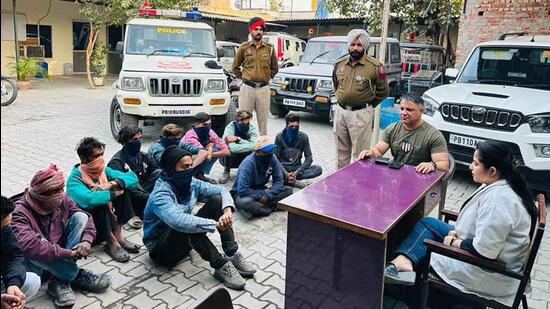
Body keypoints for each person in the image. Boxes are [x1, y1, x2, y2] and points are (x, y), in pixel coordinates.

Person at [384, 140, 538, 308]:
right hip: (483, 245)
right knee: (427, 223)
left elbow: (485, 252)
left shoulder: (498, 202)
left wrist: (454, 242)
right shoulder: (502, 184)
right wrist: (458, 233)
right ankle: (404, 261)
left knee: (424, 255)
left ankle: (413, 292)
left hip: (488, 271)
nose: (470, 166)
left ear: (492, 171)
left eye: (476, 163)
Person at [142, 145, 256, 290]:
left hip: (183, 243)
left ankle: (232, 253)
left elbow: (221, 190)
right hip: (162, 251)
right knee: (187, 225)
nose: (189, 170)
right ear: (171, 169)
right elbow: (179, 221)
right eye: (184, 167)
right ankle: (221, 266)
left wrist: (227, 211)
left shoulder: (190, 182)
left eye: (191, 165)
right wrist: (215, 224)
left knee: (216, 201)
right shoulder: (160, 194)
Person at [11, 165, 110, 307]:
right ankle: (75, 275)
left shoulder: (60, 198)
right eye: (56, 190)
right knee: (38, 246)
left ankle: (59, 281)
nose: (61, 193)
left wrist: (87, 241)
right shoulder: (19, 213)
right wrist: (70, 253)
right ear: (42, 196)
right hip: (35, 265)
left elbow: (86, 217)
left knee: (80, 217)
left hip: (58, 255)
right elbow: (33, 247)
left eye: (62, 188)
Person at [66, 137, 140, 263]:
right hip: (90, 228)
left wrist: (113, 183)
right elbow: (88, 199)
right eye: (96, 156)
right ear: (84, 158)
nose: (100, 159)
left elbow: (132, 178)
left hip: (107, 220)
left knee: (123, 191)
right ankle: (111, 242)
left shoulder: (103, 171)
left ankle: (118, 236)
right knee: (99, 201)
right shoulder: (74, 179)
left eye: (102, 154)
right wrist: (111, 194)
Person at [333, 29, 389, 169]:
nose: (355, 48)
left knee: (361, 154)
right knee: (341, 153)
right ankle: (340, 184)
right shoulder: (339, 64)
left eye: (359, 45)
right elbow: (336, 84)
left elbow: (383, 91)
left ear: (365, 46)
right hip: (340, 112)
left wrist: (368, 105)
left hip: (361, 114)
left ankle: (358, 186)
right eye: (353, 44)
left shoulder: (375, 66)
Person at [358, 93, 449, 173]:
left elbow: (444, 164)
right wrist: (370, 153)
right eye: (402, 108)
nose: (403, 113)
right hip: (396, 176)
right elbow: (378, 151)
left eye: (409, 110)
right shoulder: (391, 129)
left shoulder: (433, 135)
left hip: (421, 178)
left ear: (421, 112)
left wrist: (432, 165)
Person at [108, 125, 162, 229]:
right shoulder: (117, 162)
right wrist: (151, 197)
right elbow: (124, 186)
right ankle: (134, 214)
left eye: (140, 138)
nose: (138, 142)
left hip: (144, 190)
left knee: (159, 173)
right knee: (131, 184)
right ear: (125, 141)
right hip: (130, 195)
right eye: (134, 139)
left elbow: (156, 170)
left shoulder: (143, 156)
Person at [232, 17, 279, 135]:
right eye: (256, 29)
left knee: (263, 122)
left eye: (261, 29)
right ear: (251, 31)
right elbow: (235, 67)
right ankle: (243, 147)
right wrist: (245, 77)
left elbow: (275, 68)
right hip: (247, 88)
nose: (258, 32)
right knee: (243, 119)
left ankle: (263, 148)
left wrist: (267, 77)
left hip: (263, 89)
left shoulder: (270, 48)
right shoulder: (243, 47)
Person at [231, 136, 293, 219]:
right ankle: (271, 208)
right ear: (257, 151)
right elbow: (242, 189)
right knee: (246, 203)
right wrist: (261, 196)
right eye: (266, 151)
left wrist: (268, 195)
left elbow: (279, 180)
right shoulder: (248, 163)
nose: (270, 153)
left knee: (288, 191)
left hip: (263, 190)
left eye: (271, 150)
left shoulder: (272, 157)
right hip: (244, 194)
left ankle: (256, 210)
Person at [1, 196, 40, 309]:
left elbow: (14, 256)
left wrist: (13, 283)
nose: (6, 228)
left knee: (32, 281)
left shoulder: (4, 228)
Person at [275, 113, 322, 188]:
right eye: (291, 126)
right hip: (283, 167)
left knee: (318, 169)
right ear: (286, 126)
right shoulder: (279, 137)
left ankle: (287, 180)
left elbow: (309, 158)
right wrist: (285, 173)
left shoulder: (303, 137)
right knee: (271, 169)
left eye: (296, 126)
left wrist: (297, 172)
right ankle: (292, 181)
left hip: (296, 168)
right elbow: (275, 158)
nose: (294, 128)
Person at [182, 113, 230, 184]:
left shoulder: (210, 131)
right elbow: (204, 154)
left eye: (209, 124)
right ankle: (189, 174)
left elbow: (227, 151)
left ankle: (199, 174)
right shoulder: (190, 136)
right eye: (204, 124)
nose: (207, 127)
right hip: (185, 159)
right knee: (205, 153)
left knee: (216, 149)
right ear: (196, 124)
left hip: (201, 155)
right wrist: (210, 148)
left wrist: (210, 152)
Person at [220, 110, 258, 184]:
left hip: (245, 153)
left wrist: (238, 139)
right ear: (237, 120)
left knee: (254, 152)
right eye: (243, 123)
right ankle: (227, 169)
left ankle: (247, 171)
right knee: (228, 150)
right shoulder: (230, 127)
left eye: (247, 123)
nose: (245, 125)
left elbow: (255, 145)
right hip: (231, 155)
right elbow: (232, 148)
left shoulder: (251, 129)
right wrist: (248, 144)